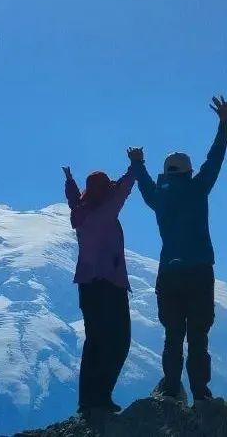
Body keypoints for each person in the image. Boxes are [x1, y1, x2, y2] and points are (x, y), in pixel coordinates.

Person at [130, 96, 227, 404]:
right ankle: (201, 393)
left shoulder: (159, 197)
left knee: (173, 335)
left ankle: (171, 389)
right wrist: (224, 124)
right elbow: (214, 159)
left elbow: (145, 185)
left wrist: (137, 163)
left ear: (167, 173)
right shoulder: (197, 187)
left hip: (169, 272)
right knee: (198, 336)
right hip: (199, 270)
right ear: (188, 171)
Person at [63, 159, 136, 415]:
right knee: (119, 341)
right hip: (110, 284)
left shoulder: (81, 211)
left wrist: (70, 181)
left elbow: (74, 199)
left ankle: (88, 401)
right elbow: (122, 191)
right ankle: (102, 396)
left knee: (95, 341)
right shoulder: (105, 212)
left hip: (87, 285)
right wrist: (135, 166)